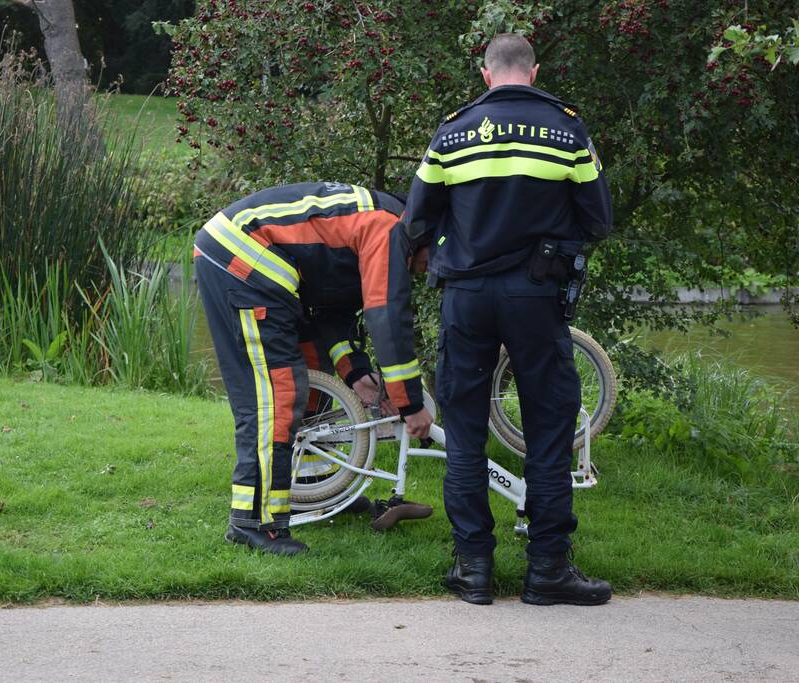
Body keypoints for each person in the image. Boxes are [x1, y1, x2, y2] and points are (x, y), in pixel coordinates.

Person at [404, 33, 613, 605]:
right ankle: (547, 569)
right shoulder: (565, 128)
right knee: (548, 428)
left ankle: (472, 568)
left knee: (466, 429)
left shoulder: (452, 131)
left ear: (485, 73)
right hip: (536, 296)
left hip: (466, 298)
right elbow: (598, 219)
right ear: (534, 70)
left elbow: (416, 220)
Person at [194, 181, 434, 556]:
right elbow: (387, 316)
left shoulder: (389, 222)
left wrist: (356, 373)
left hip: (271, 267)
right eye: (432, 261)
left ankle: (320, 489)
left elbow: (332, 308)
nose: (428, 271)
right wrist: (410, 403)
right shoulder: (389, 230)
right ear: (428, 237)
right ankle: (254, 522)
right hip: (243, 257)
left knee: (314, 376)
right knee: (277, 395)